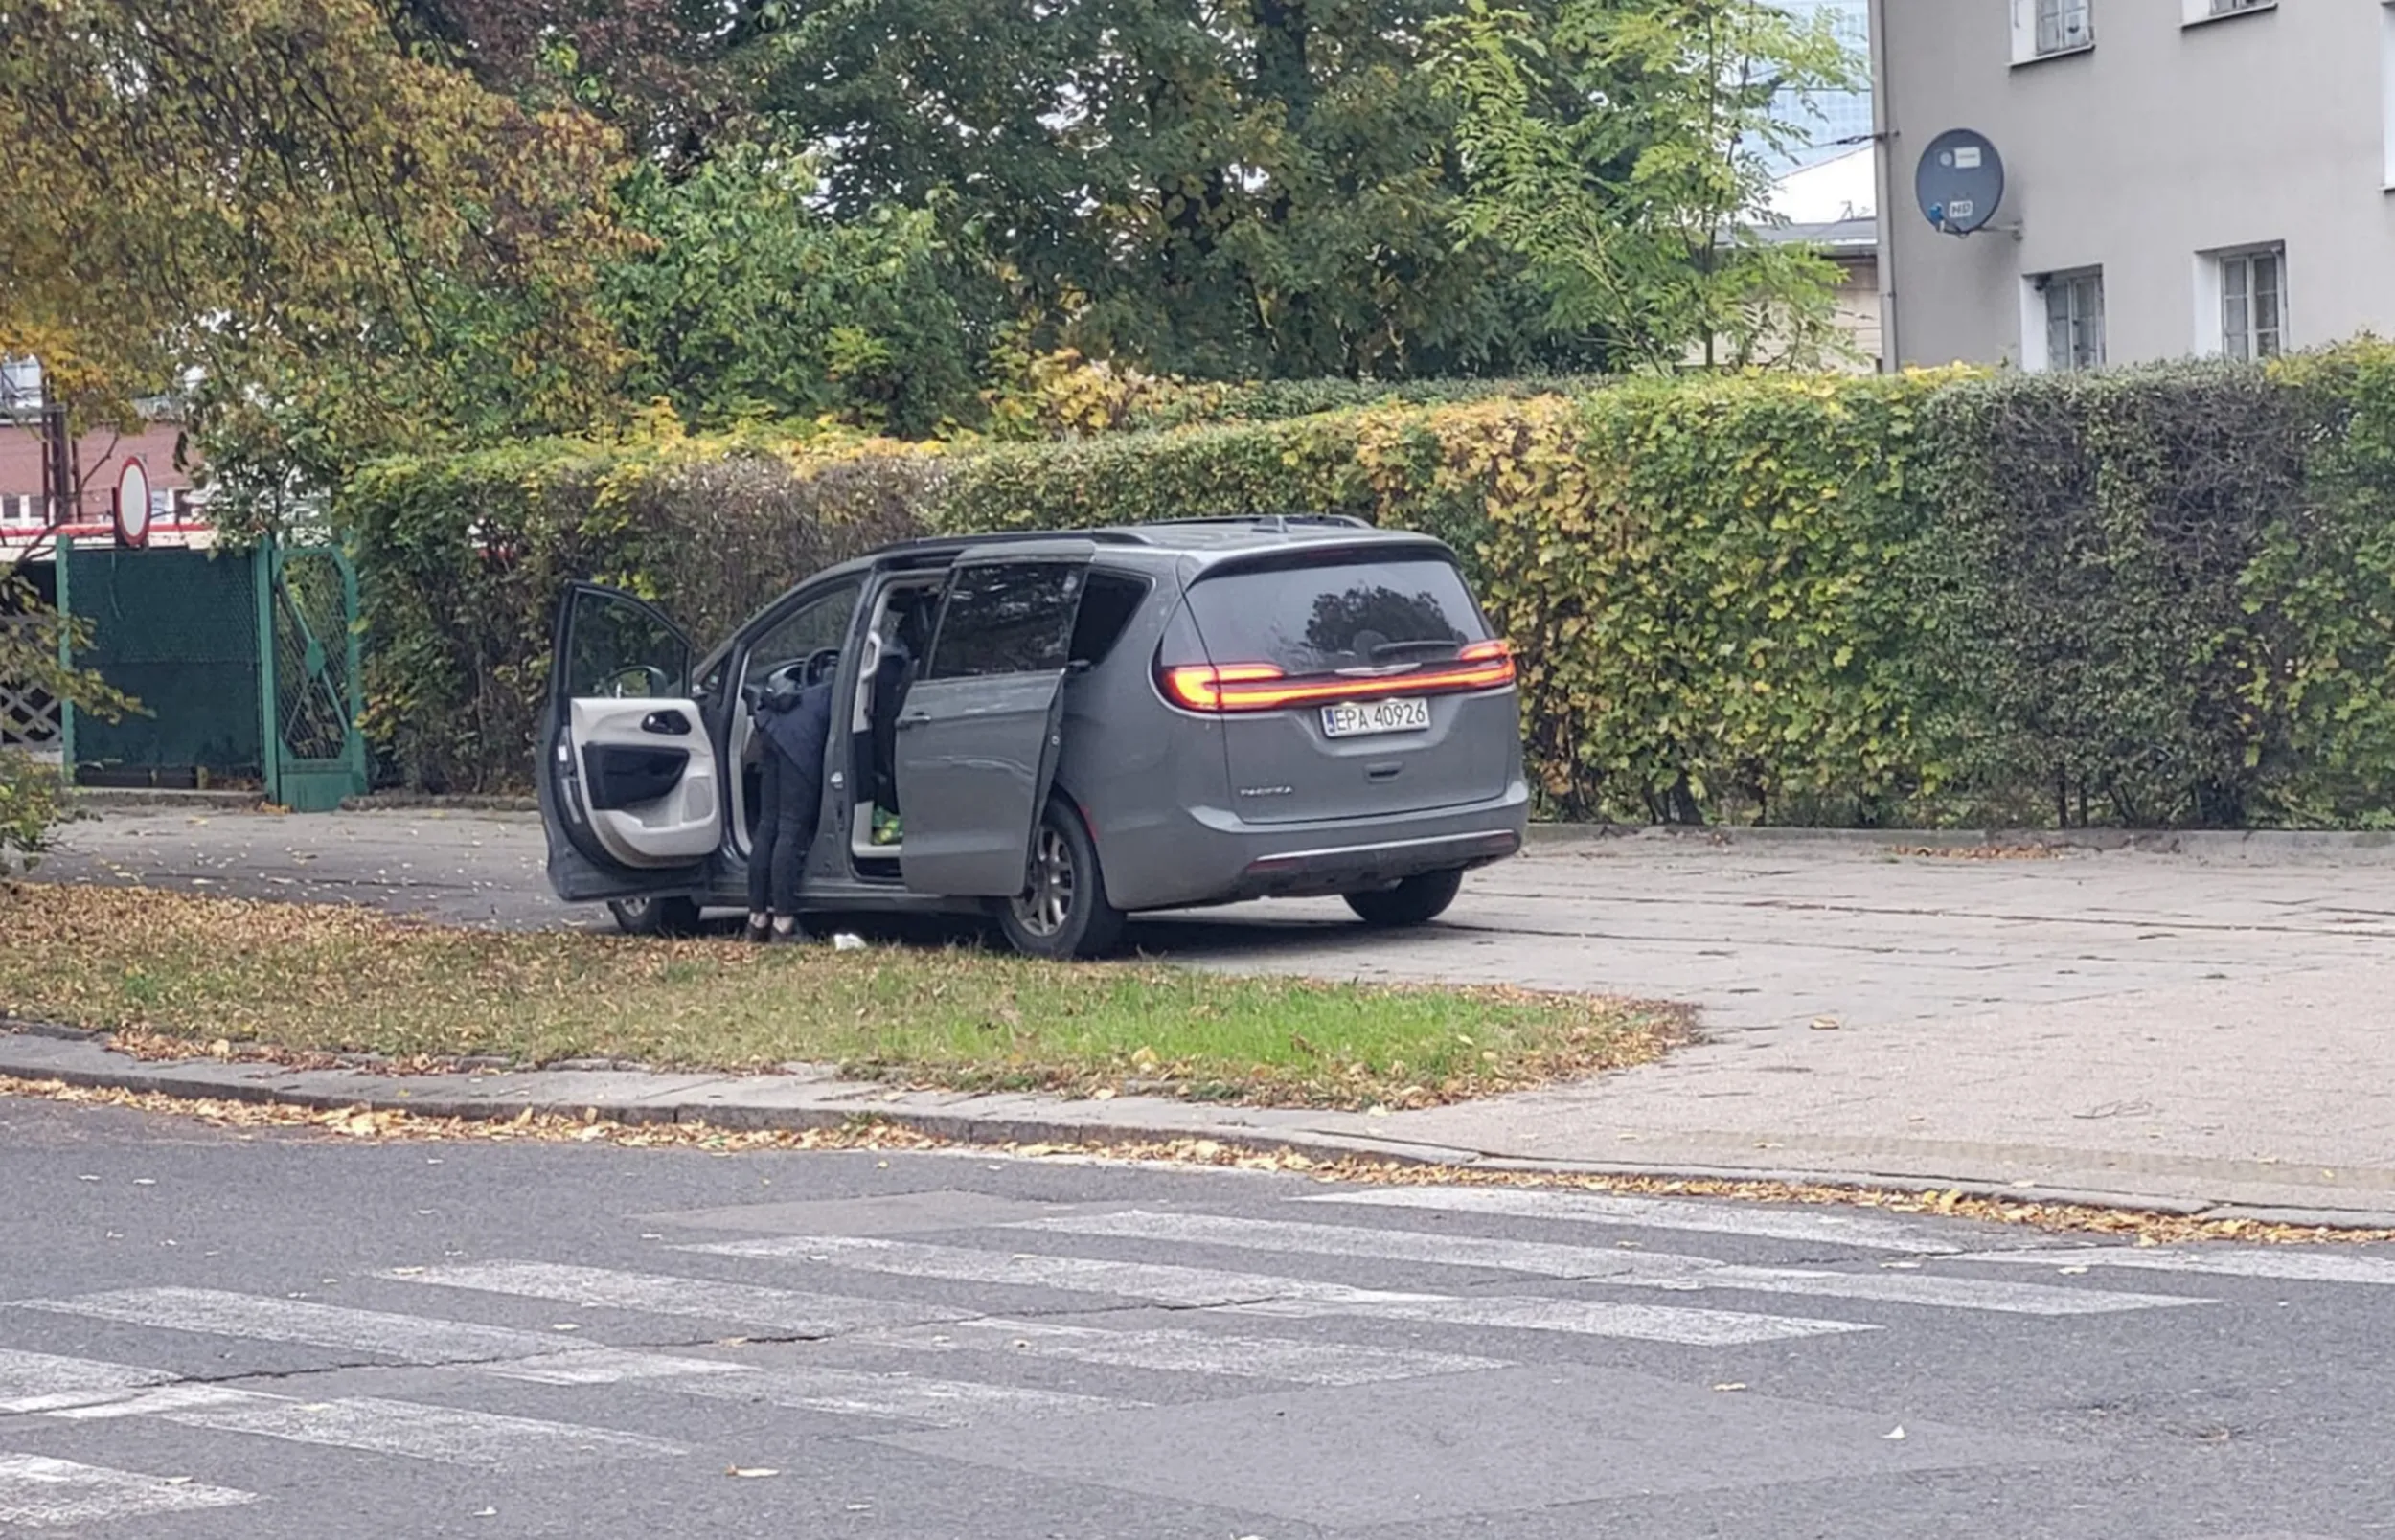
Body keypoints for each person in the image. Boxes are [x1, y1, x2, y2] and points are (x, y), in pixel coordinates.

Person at [745, 660, 834, 943]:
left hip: (773, 730)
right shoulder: (835, 687)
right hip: (799, 746)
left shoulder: (803, 692)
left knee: (767, 826)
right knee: (791, 828)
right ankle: (783, 924)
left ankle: (757, 920)